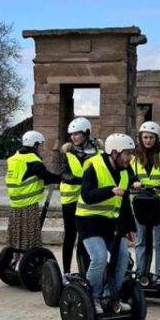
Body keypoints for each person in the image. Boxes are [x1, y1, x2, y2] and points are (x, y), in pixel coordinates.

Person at [77, 133, 140, 315]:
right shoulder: (93, 167)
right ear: (114, 153)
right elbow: (88, 196)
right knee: (99, 258)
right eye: (127, 153)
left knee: (122, 258)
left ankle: (109, 296)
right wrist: (110, 191)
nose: (130, 158)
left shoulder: (125, 170)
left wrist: (130, 228)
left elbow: (125, 201)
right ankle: (92, 297)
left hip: (111, 223)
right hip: (88, 221)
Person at [130, 121, 160, 283]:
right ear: (140, 138)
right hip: (141, 202)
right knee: (141, 239)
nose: (148, 140)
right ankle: (140, 273)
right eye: (145, 137)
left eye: (151, 137)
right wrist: (133, 182)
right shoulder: (134, 158)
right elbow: (127, 175)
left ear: (156, 138)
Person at [5, 130, 62, 264]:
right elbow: (46, 176)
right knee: (30, 237)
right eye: (40, 145)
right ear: (35, 144)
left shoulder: (14, 158)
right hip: (28, 205)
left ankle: (15, 259)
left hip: (15, 204)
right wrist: (62, 178)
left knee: (17, 235)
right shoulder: (32, 160)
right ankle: (25, 263)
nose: (41, 149)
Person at [59, 117, 100, 275]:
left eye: (77, 134)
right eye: (72, 134)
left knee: (86, 239)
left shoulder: (97, 152)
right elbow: (64, 174)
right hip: (70, 201)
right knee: (70, 236)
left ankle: (85, 273)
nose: (74, 137)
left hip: (88, 201)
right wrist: (82, 180)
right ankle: (66, 272)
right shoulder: (67, 153)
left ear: (87, 133)